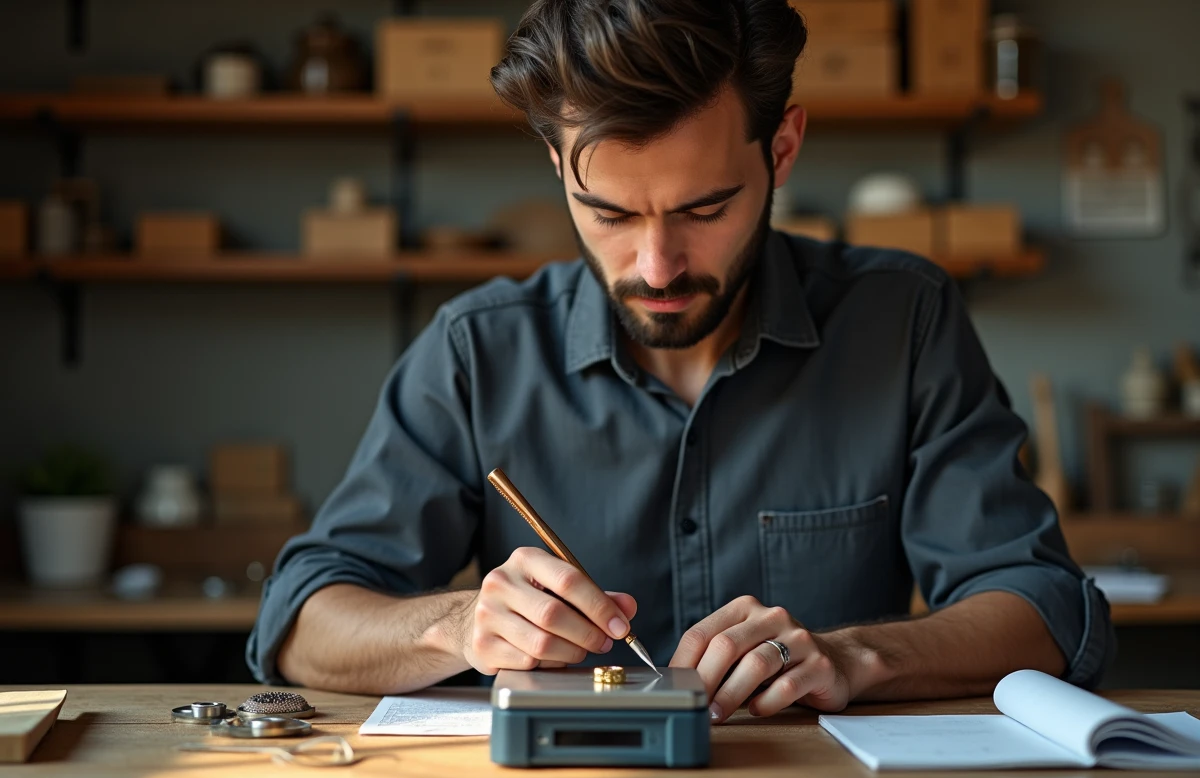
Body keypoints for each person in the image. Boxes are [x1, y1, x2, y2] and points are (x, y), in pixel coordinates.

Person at [247, 0, 1114, 723]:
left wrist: (854, 655)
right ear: (557, 165)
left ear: (781, 150)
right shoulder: (479, 350)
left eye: (706, 208)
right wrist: (458, 625)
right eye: (611, 214)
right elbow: (301, 621)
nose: (657, 267)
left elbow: (1041, 606)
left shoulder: (903, 322)